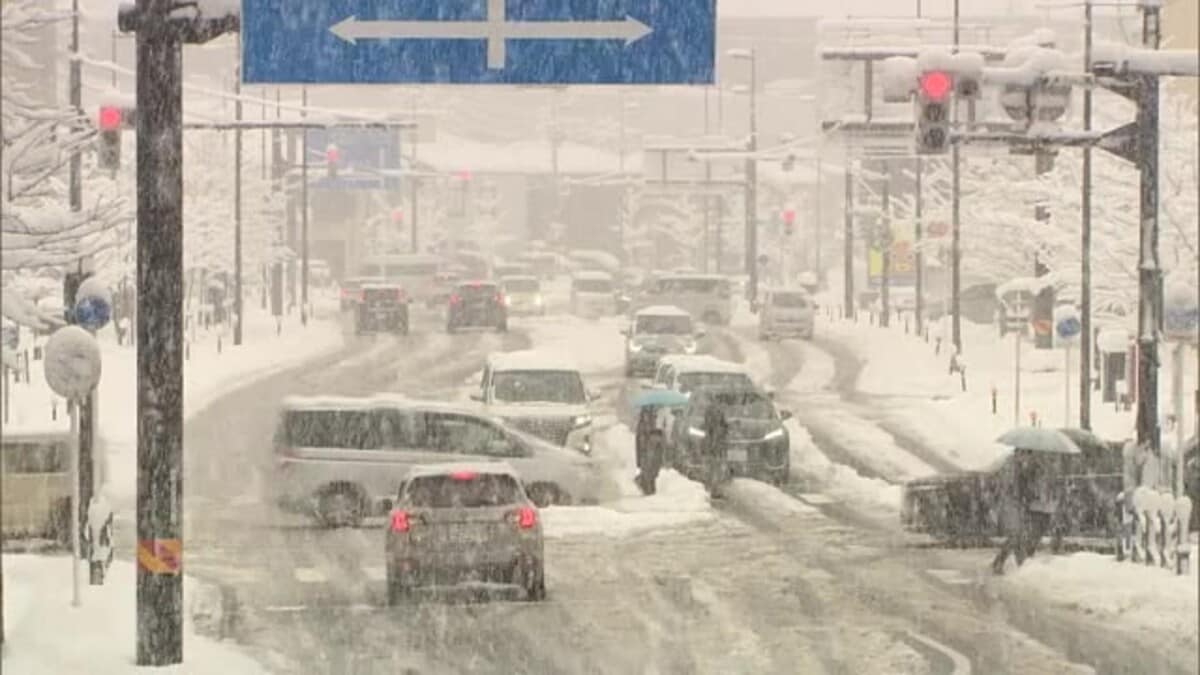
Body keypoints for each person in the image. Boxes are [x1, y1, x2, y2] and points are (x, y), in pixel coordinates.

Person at [992, 449, 1060, 574]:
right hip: (1011, 504)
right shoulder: (1013, 466)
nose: (1026, 457)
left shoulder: (1023, 468)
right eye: (1025, 454)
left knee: (1018, 536)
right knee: (1016, 535)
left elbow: (1023, 488)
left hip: (1017, 505)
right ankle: (1014, 564)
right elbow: (1011, 487)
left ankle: (1007, 562)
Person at [701, 401, 730, 498]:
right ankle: (714, 488)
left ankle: (713, 487)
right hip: (715, 449)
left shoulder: (710, 426)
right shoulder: (717, 428)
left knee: (713, 467)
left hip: (713, 449)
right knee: (715, 468)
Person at [634, 405, 663, 495]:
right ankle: (647, 487)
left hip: (650, 448)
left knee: (652, 468)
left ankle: (648, 487)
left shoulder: (654, 420)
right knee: (648, 468)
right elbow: (641, 437)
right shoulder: (644, 423)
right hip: (646, 449)